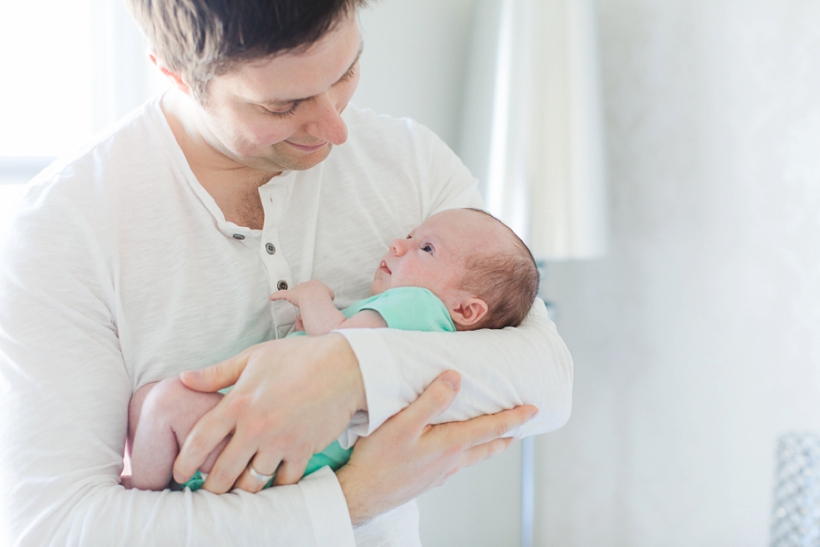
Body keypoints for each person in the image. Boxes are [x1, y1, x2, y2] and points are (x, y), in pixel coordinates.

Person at [0, 0, 573, 544]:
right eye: (281, 107)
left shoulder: (411, 162)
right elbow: (56, 528)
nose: (334, 129)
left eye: (347, 71)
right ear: (173, 73)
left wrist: (344, 370)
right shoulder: (63, 227)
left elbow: (546, 382)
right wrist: (351, 498)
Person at [127, 207, 540, 492]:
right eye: (412, 236)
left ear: (466, 309)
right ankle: (159, 483)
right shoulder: (417, 326)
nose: (399, 244)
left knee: (162, 402)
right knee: (152, 402)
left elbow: (341, 344)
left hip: (278, 439)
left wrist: (313, 297)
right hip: (288, 446)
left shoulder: (420, 307)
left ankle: (146, 497)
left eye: (426, 249)